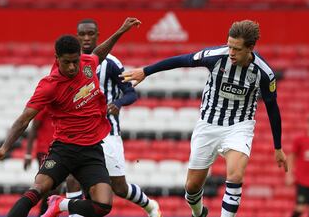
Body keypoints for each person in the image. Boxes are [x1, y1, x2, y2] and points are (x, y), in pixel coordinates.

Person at [121, 20, 288, 217]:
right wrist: (146, 71)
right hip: (208, 124)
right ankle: (198, 213)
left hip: (239, 126)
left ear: (250, 48)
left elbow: (272, 108)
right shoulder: (216, 57)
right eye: (229, 46)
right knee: (191, 188)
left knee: (235, 175)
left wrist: (278, 147)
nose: (231, 52)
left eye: (237, 49)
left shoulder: (263, 73)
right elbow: (182, 60)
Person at [0, 17, 141, 217]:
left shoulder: (86, 64)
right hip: (64, 149)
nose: (71, 67)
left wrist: (121, 31)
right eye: (66, 62)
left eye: (74, 61)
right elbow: (24, 119)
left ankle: (60, 204)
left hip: (92, 150)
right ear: (56, 58)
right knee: (37, 189)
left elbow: (98, 54)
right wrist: (4, 148)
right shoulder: (49, 86)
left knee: (103, 206)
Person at [60, 19, 161, 217]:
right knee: (72, 178)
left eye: (91, 34)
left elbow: (130, 93)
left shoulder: (112, 63)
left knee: (119, 188)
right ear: (77, 36)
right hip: (79, 133)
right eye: (83, 34)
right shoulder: (70, 63)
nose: (87, 38)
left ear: (98, 35)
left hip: (107, 133)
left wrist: (119, 103)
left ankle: (149, 205)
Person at [23, 108, 55, 216]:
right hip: (44, 151)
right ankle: (44, 213)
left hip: (59, 151)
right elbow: (33, 128)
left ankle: (46, 213)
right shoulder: (46, 106)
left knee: (53, 188)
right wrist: (28, 154)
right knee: (48, 186)